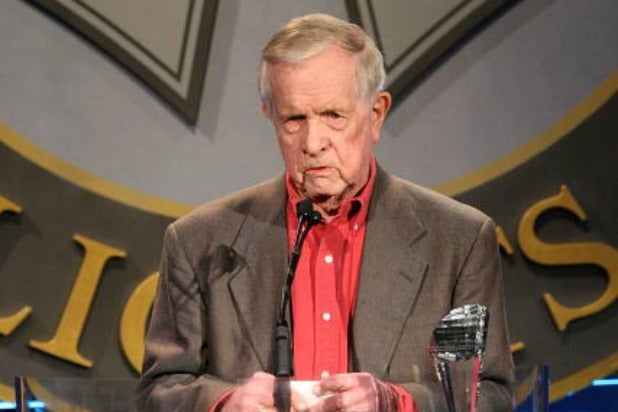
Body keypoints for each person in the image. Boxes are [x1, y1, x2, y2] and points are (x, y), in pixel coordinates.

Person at [136, 13, 515, 412]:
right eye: (294, 119)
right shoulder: (200, 241)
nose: (313, 142)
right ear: (270, 116)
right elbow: (161, 390)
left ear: (376, 114)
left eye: (333, 115)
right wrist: (226, 403)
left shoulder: (459, 240)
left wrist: (395, 402)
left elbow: (491, 396)